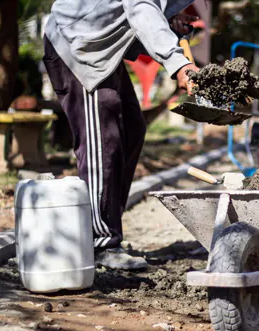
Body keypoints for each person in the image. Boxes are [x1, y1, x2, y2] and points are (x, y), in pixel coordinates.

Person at [43, 0, 200, 269]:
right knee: (103, 142)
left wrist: (169, 21)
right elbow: (140, 9)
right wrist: (180, 64)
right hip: (78, 44)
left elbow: (136, 13)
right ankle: (99, 240)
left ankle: (108, 227)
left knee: (131, 130)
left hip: (102, 51)